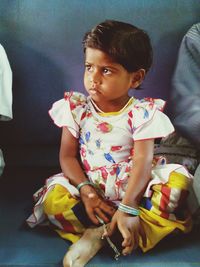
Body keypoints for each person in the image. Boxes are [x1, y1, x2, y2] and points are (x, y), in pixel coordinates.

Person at [27, 20, 193, 267]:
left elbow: (142, 160)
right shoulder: (76, 109)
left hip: (134, 188)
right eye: (89, 67)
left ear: (135, 78)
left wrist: (128, 207)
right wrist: (86, 190)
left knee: (178, 185)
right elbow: (67, 157)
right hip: (90, 186)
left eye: (106, 70)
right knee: (53, 202)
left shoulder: (142, 114)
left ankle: (108, 233)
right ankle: (110, 232)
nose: (93, 78)